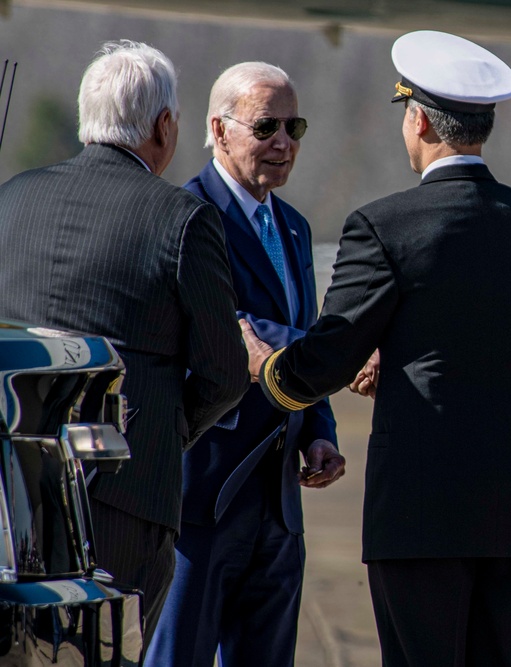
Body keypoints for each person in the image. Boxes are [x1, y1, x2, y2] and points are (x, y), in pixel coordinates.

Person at [241, 30, 511, 666]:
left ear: (418, 120)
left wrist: (266, 365)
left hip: (420, 510)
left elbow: (329, 357)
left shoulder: (384, 225)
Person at [0, 40, 248, 645]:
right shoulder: (182, 218)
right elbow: (225, 372)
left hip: (7, 495)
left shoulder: (10, 198)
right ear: (164, 126)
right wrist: (162, 432)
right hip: (121, 500)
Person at [145, 62, 345, 667]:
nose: (282, 141)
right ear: (219, 129)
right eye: (265, 126)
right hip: (203, 501)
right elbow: (223, 333)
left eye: (293, 125)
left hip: (281, 507)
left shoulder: (293, 227)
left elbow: (303, 343)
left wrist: (320, 432)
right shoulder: (183, 217)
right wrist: (347, 353)